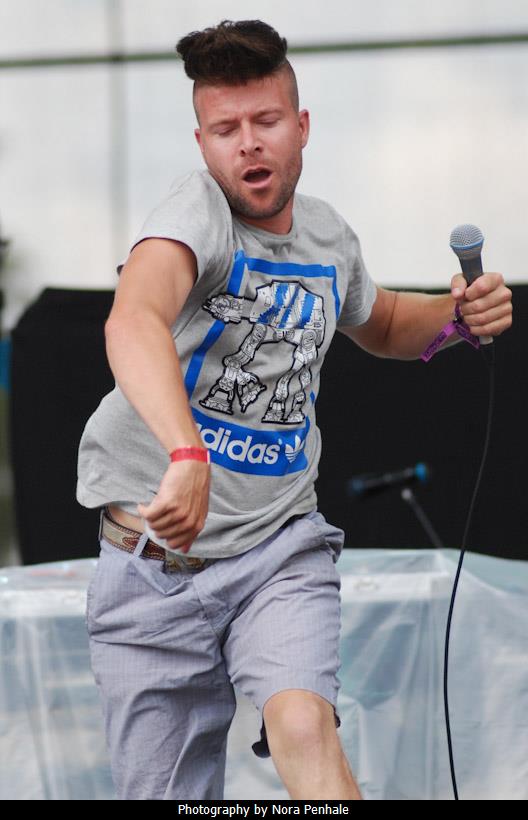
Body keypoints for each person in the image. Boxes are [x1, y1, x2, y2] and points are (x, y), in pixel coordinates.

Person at [77, 19, 512, 801]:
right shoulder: (194, 215)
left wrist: (456, 319)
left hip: (276, 551)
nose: (248, 143)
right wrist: (186, 452)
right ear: (202, 142)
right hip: (151, 571)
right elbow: (133, 319)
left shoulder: (327, 236)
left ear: (301, 126)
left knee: (305, 727)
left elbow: (382, 322)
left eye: (266, 121)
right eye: (225, 129)